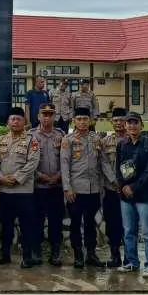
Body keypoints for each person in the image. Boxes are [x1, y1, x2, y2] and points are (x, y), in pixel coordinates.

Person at [0, 106, 41, 267]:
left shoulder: (31, 140)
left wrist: (16, 178)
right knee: (5, 225)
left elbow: (33, 163)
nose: (15, 122)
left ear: (24, 122)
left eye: (18, 119)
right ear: (8, 122)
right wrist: (0, 177)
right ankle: (5, 255)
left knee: (26, 226)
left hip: (23, 191)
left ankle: (27, 257)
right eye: (12, 119)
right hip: (4, 190)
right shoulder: (1, 140)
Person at [116, 112, 148, 277]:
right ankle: (131, 262)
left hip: (144, 196)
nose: (132, 126)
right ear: (125, 126)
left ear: (142, 125)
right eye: (129, 123)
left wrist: (133, 187)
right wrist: (124, 186)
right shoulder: (121, 145)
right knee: (128, 231)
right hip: (125, 196)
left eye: (135, 123)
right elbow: (118, 169)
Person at [61, 106, 103, 269]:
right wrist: (67, 188)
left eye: (85, 119)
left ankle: (91, 254)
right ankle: (78, 254)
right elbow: (64, 165)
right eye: (79, 119)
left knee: (90, 223)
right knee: (75, 223)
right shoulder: (68, 140)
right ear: (74, 121)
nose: (83, 122)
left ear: (90, 120)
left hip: (93, 189)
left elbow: (102, 163)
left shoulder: (96, 139)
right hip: (76, 190)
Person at [30, 103, 65, 266]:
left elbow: (66, 160)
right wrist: (41, 176)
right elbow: (27, 161)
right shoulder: (31, 136)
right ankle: (36, 251)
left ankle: (55, 252)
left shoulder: (61, 135)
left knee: (55, 221)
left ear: (54, 116)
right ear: (38, 116)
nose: (47, 117)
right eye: (44, 114)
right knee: (36, 221)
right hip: (38, 186)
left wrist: (58, 176)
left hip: (56, 186)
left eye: (50, 114)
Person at [100, 107, 128, 267]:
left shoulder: (133, 140)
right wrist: (115, 181)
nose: (118, 123)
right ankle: (114, 255)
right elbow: (103, 163)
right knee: (112, 224)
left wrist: (125, 184)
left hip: (129, 190)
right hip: (111, 190)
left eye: (121, 120)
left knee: (129, 226)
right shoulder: (105, 142)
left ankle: (130, 257)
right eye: (115, 120)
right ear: (111, 122)